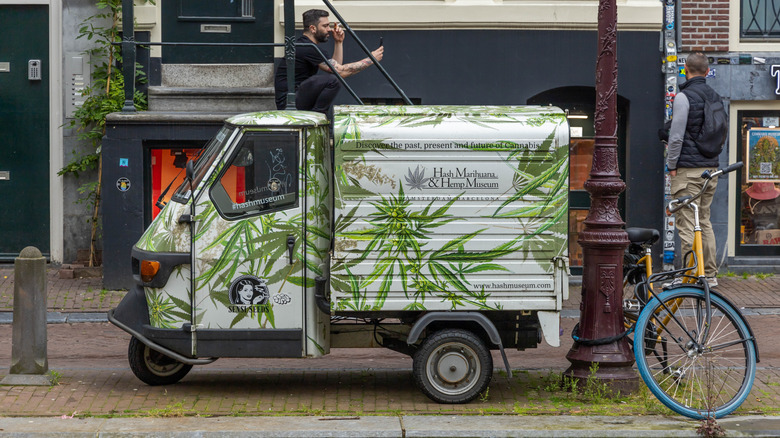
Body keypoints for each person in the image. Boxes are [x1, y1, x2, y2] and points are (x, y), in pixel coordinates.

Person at [666, 52, 724, 286]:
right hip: (710, 170)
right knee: (705, 222)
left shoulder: (684, 97)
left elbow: (676, 136)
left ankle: (690, 274)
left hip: (687, 172)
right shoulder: (716, 96)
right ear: (707, 71)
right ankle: (709, 275)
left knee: (687, 224)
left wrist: (672, 165)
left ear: (685, 70)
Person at [274, 9, 384, 114]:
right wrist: (371, 59)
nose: (329, 29)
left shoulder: (307, 45)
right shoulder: (307, 47)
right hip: (289, 103)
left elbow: (336, 70)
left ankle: (317, 115)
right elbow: (340, 71)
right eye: (325, 26)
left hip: (296, 97)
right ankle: (317, 115)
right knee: (332, 81)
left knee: (333, 79)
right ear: (313, 28)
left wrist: (338, 42)